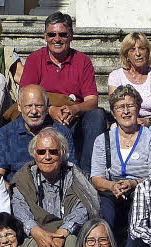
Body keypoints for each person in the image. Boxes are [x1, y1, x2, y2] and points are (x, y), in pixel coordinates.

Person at [19, 11, 107, 172]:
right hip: (45, 117)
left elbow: (92, 100)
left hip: (75, 118)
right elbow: (25, 94)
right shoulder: (35, 59)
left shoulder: (82, 61)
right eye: (52, 34)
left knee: (98, 115)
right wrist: (50, 110)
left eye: (62, 34)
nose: (57, 39)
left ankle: (88, 174)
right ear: (45, 36)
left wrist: (75, 109)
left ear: (71, 36)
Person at [10, 127, 99, 247]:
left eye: (53, 151)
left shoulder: (76, 176)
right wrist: (38, 233)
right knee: (34, 244)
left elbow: (83, 208)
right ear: (34, 155)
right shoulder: (23, 178)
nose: (47, 156)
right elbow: (20, 211)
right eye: (41, 152)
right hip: (33, 236)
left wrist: (62, 233)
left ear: (62, 153)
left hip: (67, 234)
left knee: (71, 242)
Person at [90, 85, 151, 243]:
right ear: (113, 113)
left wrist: (133, 183)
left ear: (138, 109)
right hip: (111, 191)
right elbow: (96, 178)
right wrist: (112, 186)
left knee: (139, 205)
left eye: (130, 106)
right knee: (104, 211)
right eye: (120, 107)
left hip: (140, 191)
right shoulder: (103, 140)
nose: (126, 111)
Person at [0, 84, 76, 180]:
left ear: (47, 105)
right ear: (19, 106)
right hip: (16, 191)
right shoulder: (5, 133)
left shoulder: (62, 133)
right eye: (28, 106)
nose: (34, 111)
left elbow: (72, 172)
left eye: (39, 105)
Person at [107, 32, 151, 134]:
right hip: (123, 118)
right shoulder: (116, 76)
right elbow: (114, 107)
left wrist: (148, 120)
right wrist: (130, 121)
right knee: (114, 131)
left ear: (147, 52)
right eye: (132, 49)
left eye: (142, 48)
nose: (138, 53)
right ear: (126, 54)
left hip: (148, 122)